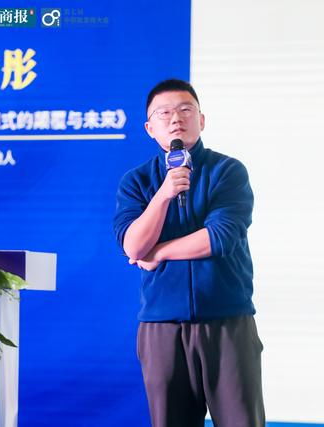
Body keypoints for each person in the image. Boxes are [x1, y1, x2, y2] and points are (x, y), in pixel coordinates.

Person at [113, 79, 265, 427]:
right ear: (150, 128)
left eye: (185, 110)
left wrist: (159, 252)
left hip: (227, 322)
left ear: (202, 119)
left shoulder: (228, 171)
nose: (175, 119)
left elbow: (220, 237)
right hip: (161, 327)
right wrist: (164, 194)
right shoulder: (136, 182)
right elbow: (133, 246)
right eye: (164, 113)